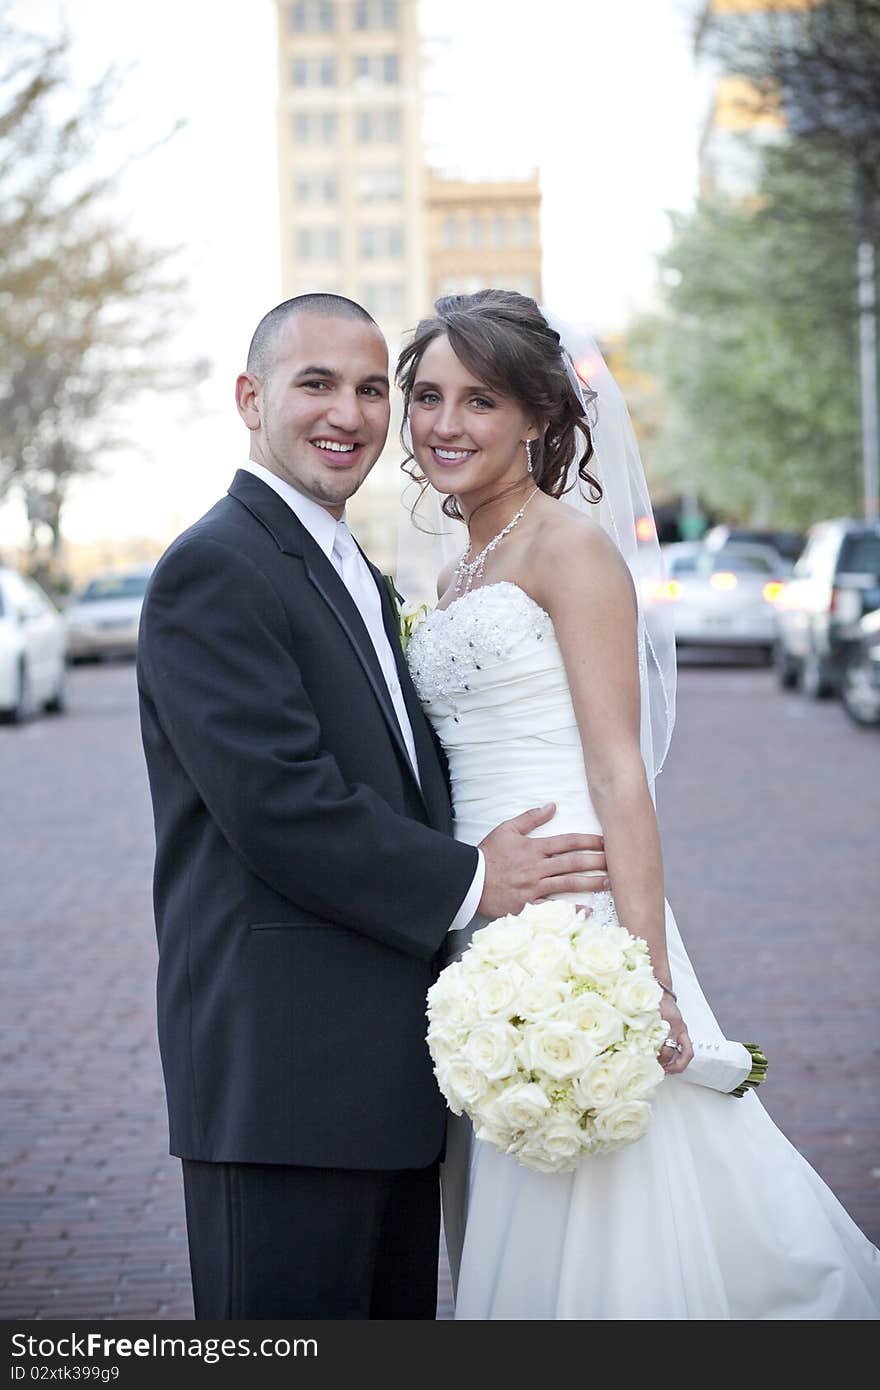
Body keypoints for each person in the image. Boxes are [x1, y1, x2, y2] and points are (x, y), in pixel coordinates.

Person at [398, 288, 880, 1319]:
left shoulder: (569, 549)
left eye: (478, 400)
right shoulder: (452, 572)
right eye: (428, 397)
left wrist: (643, 977)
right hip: (480, 914)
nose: (445, 424)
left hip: (576, 915)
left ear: (535, 415)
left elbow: (620, 771)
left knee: (607, 1182)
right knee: (515, 1169)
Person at [136, 292, 610, 1320]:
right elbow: (281, 806)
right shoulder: (215, 567)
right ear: (249, 397)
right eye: (315, 384)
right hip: (284, 1082)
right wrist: (479, 879)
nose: (347, 413)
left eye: (366, 389)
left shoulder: (352, 561)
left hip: (391, 1075)